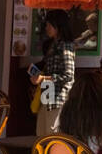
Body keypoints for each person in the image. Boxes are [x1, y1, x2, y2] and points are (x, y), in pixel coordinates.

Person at [32, 9, 76, 138]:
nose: (46, 28)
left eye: (49, 25)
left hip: (58, 97)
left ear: (58, 26)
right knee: (41, 133)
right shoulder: (53, 44)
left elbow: (68, 75)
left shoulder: (66, 46)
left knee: (52, 134)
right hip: (47, 93)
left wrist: (43, 78)